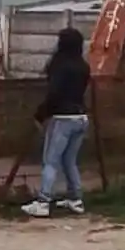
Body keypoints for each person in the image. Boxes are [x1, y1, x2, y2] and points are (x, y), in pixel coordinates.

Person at [21, 27, 91, 218]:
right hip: (81, 117)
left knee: (50, 162)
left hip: (63, 118)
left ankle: (43, 202)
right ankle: (76, 200)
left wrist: (41, 114)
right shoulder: (83, 66)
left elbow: (55, 94)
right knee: (70, 161)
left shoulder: (60, 65)